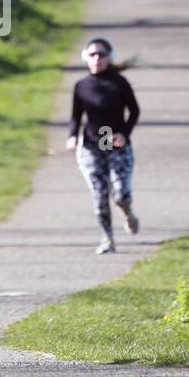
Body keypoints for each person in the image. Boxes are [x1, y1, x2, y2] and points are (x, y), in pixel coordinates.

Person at [66, 37, 140, 254]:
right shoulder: (81, 86)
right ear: (86, 58)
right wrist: (72, 136)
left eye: (102, 54)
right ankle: (107, 239)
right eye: (92, 54)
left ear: (110, 58)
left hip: (117, 146)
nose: (97, 58)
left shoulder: (119, 83)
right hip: (90, 147)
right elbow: (76, 116)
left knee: (120, 195)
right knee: (99, 195)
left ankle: (127, 212)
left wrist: (124, 134)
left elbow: (134, 111)